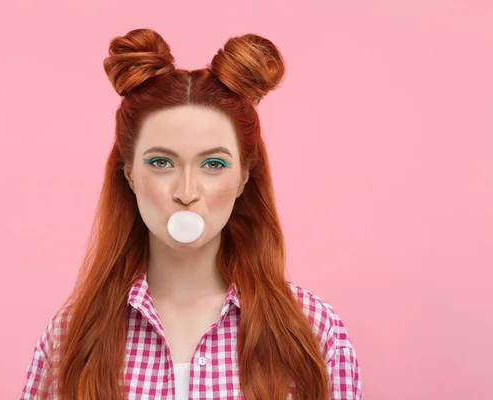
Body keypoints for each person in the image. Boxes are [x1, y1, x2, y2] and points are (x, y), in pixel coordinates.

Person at [20, 28, 362, 400]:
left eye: (213, 164)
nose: (186, 192)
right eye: (161, 162)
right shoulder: (69, 339)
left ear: (244, 177)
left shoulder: (314, 332)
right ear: (130, 174)